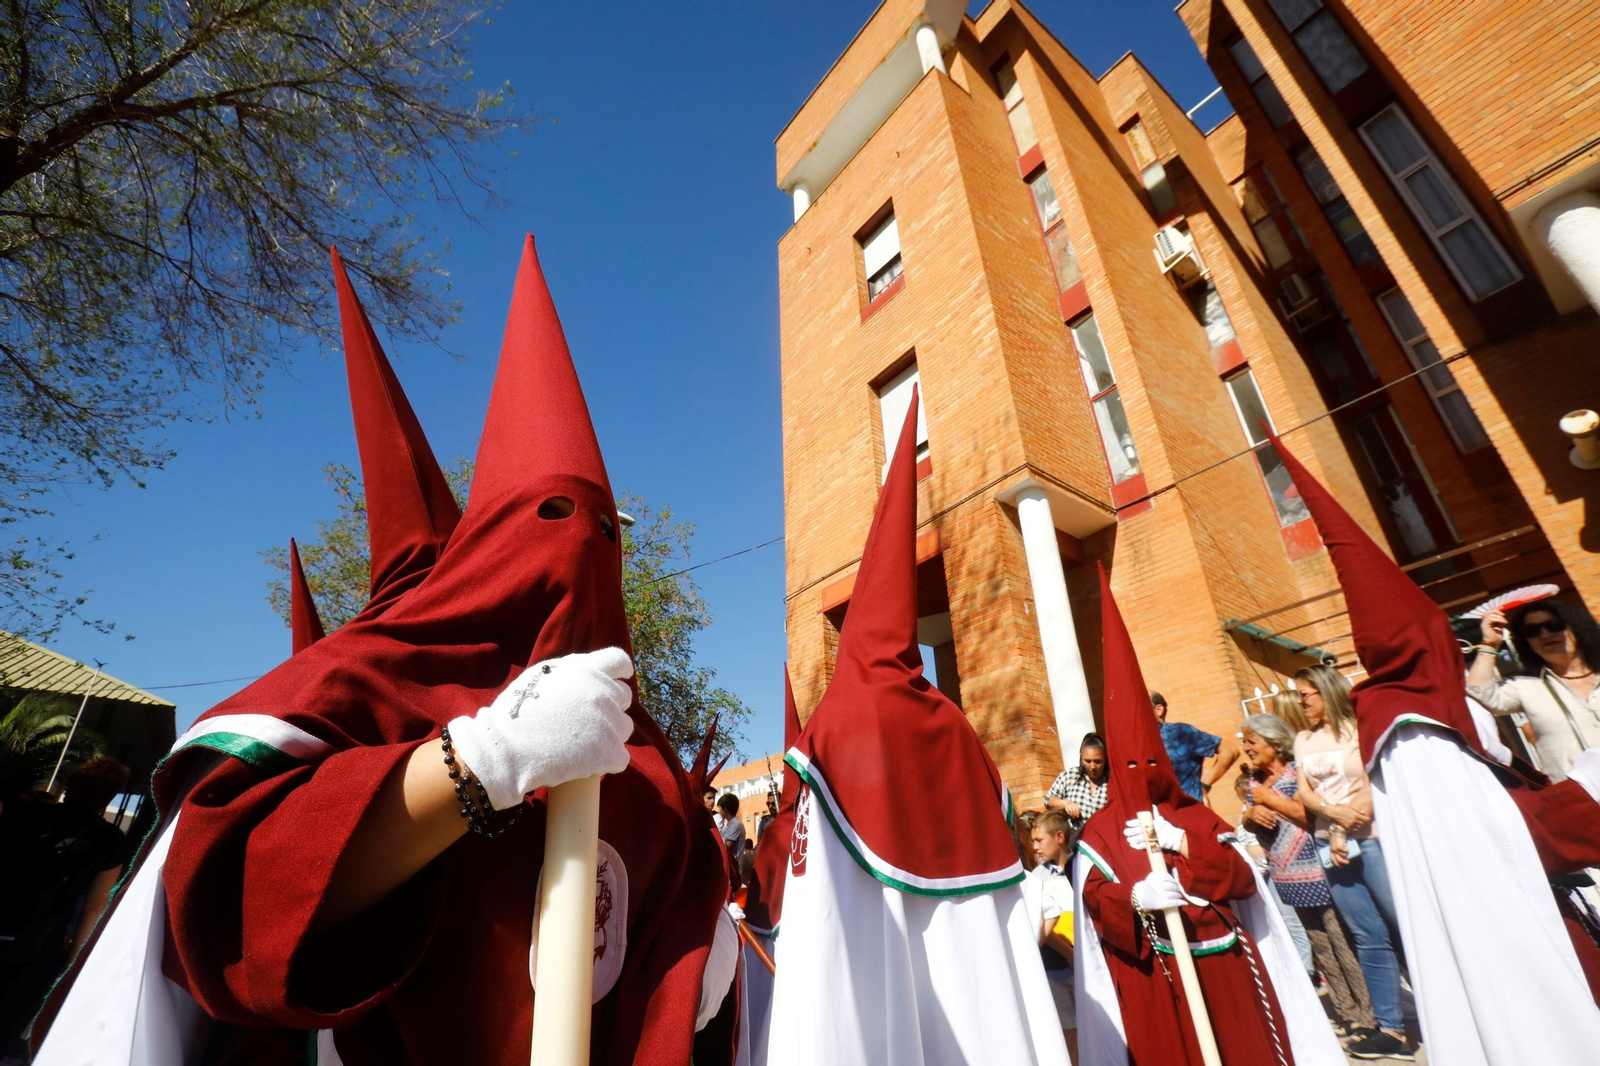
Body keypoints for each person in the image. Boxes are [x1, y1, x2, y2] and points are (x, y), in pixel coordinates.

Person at [35, 238, 737, 1065]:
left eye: (599, 531)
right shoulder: (369, 680)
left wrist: (701, 961)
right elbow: (240, 896)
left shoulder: (640, 748)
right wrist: (482, 760)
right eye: (546, 517)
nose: (578, 552)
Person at [1268, 430, 1600, 1064]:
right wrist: (1589, 788)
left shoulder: (1419, 716)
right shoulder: (1414, 731)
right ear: (1424, 644)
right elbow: (1492, 840)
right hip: (1508, 929)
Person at [766, 391, 1069, 1066]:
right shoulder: (954, 723)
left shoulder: (841, 719)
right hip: (976, 956)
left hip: (870, 942)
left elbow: (822, 899)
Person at [1076, 566, 1344, 1066]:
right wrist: (1133, 895)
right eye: (1131, 764)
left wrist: (1185, 844)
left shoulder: (1196, 816)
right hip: (1157, 975)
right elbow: (1092, 903)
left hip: (1224, 962)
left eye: (1151, 760)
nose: (1144, 771)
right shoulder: (1100, 831)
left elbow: (1243, 880)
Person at [1291, 663, 1412, 1059]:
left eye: (1305, 694)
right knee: (1366, 935)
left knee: (1406, 926)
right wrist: (1330, 813)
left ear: (1326, 691)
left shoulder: (1359, 730)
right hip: (1331, 849)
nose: (1300, 702)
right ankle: (1392, 1030)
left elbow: (1374, 781)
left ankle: (1447, 1006)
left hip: (1371, 840)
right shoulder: (1303, 740)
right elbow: (1305, 793)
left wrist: (1343, 823)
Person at [1241, 714, 1377, 1046]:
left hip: (1319, 871)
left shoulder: (1295, 772)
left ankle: (1368, 1016)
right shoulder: (1254, 782)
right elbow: (1250, 818)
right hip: (1288, 877)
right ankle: (1346, 1011)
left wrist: (1270, 802)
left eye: (1251, 742)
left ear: (1274, 742)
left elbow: (1310, 816)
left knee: (1342, 943)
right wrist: (1249, 814)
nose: (1246, 749)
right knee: (1321, 949)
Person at [0, 758, 131, 1057]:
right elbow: (95, 908)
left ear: (70, 783)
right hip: (39, 945)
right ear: (109, 797)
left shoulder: (19, 810)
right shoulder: (111, 840)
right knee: (8, 1023)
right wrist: (73, 964)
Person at [1468, 597, 1600, 781]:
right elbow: (1479, 695)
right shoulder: (1526, 687)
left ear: (1576, 628)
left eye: (1554, 625)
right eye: (1532, 631)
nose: (1545, 634)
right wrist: (1489, 644)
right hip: (1581, 800)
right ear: (1526, 642)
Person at [1025, 810, 1078, 1063]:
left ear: (1059, 836)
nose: (1035, 847)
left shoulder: (1081, 867)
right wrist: (1067, 953)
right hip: (1056, 967)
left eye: (1039, 841)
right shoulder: (1037, 878)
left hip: (1086, 964)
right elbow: (1043, 920)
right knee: (1068, 1031)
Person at [1149, 691, 1239, 804]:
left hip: (1188, 808)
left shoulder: (1180, 732)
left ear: (1159, 710)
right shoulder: (1137, 740)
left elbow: (1229, 751)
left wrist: (1205, 786)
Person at [1044, 732, 1109, 842]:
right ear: (1081, 756)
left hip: (1104, 837)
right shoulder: (1070, 776)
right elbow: (1048, 800)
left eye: (1098, 761)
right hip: (1075, 838)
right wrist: (1066, 804)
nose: (1093, 766)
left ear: (1105, 758)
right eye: (1087, 761)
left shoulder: (1112, 780)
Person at [717, 793, 746, 857]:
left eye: (720, 809)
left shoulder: (736, 825)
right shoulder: (727, 826)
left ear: (725, 809)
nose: (719, 812)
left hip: (735, 864)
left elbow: (727, 847)